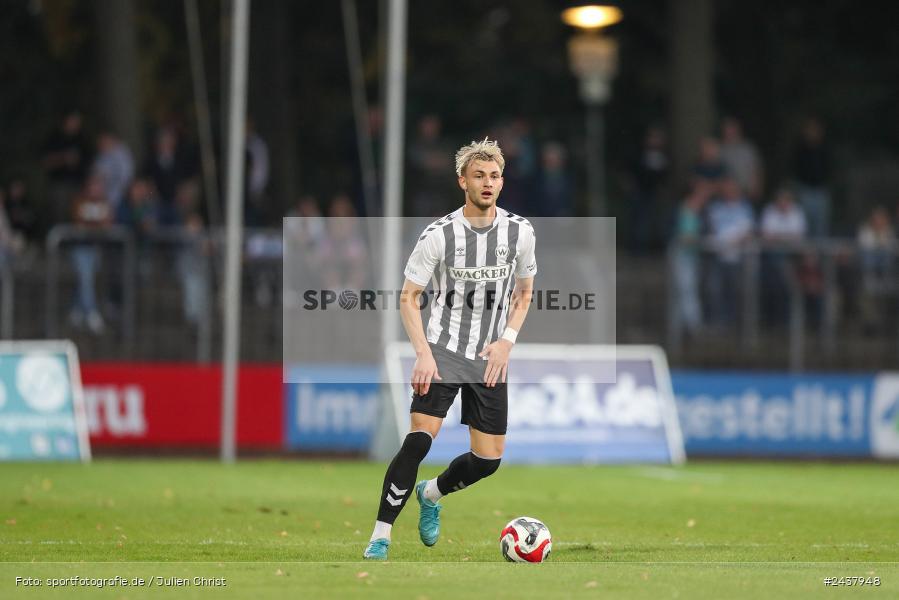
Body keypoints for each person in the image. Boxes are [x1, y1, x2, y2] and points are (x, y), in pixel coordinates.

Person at [363, 139, 537, 560]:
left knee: (488, 460)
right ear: (463, 181)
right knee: (419, 440)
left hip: (488, 358)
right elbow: (408, 297)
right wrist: (423, 353)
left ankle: (432, 494)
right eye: (479, 175)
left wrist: (506, 344)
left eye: (494, 175)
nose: (488, 183)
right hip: (441, 351)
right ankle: (380, 536)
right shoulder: (439, 236)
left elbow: (524, 292)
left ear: (502, 181)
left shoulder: (520, 232)